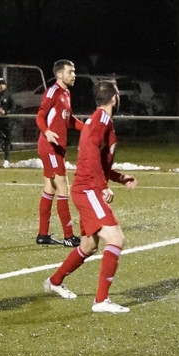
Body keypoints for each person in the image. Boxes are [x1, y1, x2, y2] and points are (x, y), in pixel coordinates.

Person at [44, 79, 137, 313]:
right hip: (88, 189)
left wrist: (120, 178)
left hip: (86, 187)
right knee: (116, 238)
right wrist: (102, 186)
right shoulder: (101, 120)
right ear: (114, 98)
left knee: (88, 245)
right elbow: (92, 153)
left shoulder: (99, 120)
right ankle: (101, 301)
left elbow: (96, 161)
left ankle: (54, 281)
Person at [35, 59, 85, 247]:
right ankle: (68, 237)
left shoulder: (66, 93)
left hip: (57, 149)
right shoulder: (52, 92)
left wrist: (87, 128)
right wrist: (47, 132)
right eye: (70, 71)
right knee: (63, 188)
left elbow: (69, 119)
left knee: (50, 188)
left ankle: (43, 235)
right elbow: (40, 116)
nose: (74, 75)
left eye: (74, 71)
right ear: (59, 74)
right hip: (50, 148)